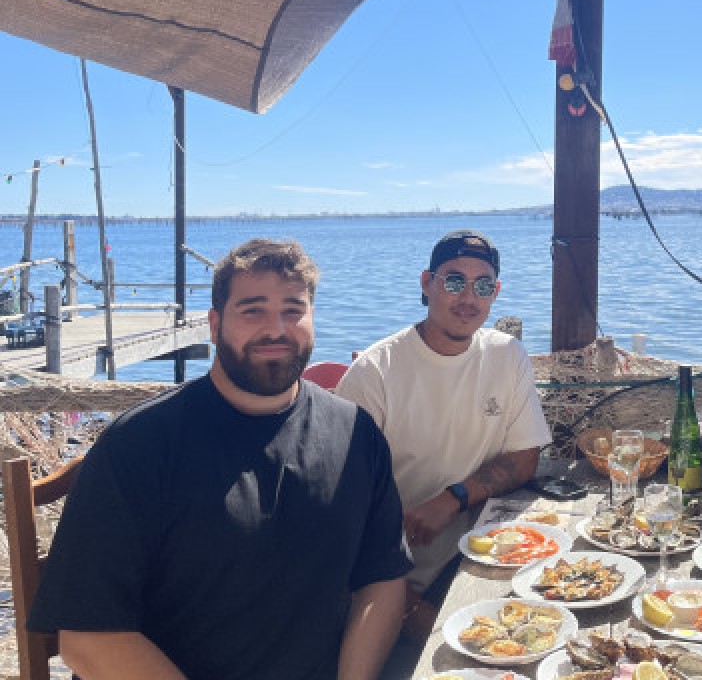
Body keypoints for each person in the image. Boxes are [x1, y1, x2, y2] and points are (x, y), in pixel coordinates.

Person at [28, 238, 411, 680]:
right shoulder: (137, 447)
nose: (277, 330)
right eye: (253, 310)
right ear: (214, 324)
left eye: (293, 310)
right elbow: (86, 638)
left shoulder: (356, 435)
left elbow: (381, 578)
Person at [335, 229, 551, 637]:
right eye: (454, 281)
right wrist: (408, 608)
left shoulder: (507, 355)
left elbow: (525, 458)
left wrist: (454, 498)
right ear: (426, 283)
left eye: (482, 285)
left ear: (496, 291)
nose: (468, 298)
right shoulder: (375, 373)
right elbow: (341, 511)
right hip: (395, 581)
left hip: (484, 553)